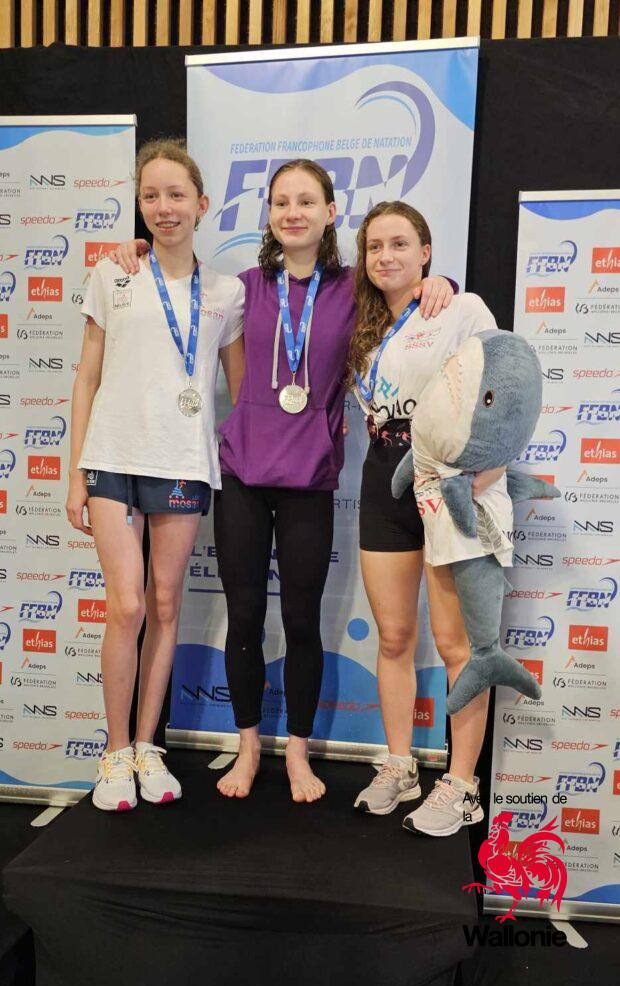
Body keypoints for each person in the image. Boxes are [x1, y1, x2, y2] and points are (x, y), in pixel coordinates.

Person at [111, 159, 454, 804]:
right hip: (242, 474)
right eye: (281, 203)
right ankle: (246, 748)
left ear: (330, 213)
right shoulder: (241, 287)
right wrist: (135, 250)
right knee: (243, 617)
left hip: (310, 480)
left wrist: (443, 283)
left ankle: (297, 753)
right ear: (268, 215)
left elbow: (409, 292)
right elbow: (173, 282)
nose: (293, 213)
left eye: (306, 202)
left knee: (301, 620)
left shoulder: (354, 287)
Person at [66, 139, 244, 812]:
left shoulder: (226, 292)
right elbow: (86, 377)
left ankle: (147, 746)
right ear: (139, 206)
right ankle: (114, 752)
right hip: (112, 458)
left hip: (182, 462)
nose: (164, 207)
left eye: (176, 195)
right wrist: (75, 473)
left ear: (201, 204)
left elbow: (241, 391)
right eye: (151, 196)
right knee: (128, 606)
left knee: (166, 605)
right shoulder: (112, 274)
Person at [350, 200, 506, 837]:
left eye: (399, 244)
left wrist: (488, 469)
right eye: (374, 246)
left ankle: (462, 785)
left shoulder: (460, 308)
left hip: (447, 483)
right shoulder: (362, 323)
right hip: (381, 479)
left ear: (426, 252)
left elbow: (504, 387)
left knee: (455, 645)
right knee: (393, 637)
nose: (385, 256)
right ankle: (400, 765)